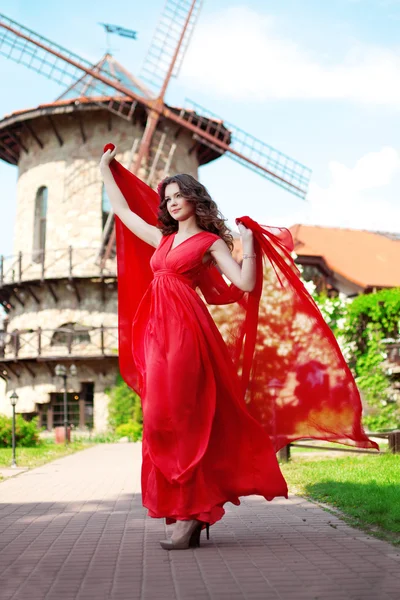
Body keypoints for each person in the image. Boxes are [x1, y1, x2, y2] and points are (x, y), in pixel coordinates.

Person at [99, 144, 378, 550]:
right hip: (157, 337)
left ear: (195, 199)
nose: (174, 203)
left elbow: (244, 285)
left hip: (187, 336)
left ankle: (195, 512)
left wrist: (248, 246)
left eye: (180, 196)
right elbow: (123, 213)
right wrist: (105, 169)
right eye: (168, 198)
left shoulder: (209, 242)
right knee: (158, 418)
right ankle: (185, 507)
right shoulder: (162, 239)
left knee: (185, 420)